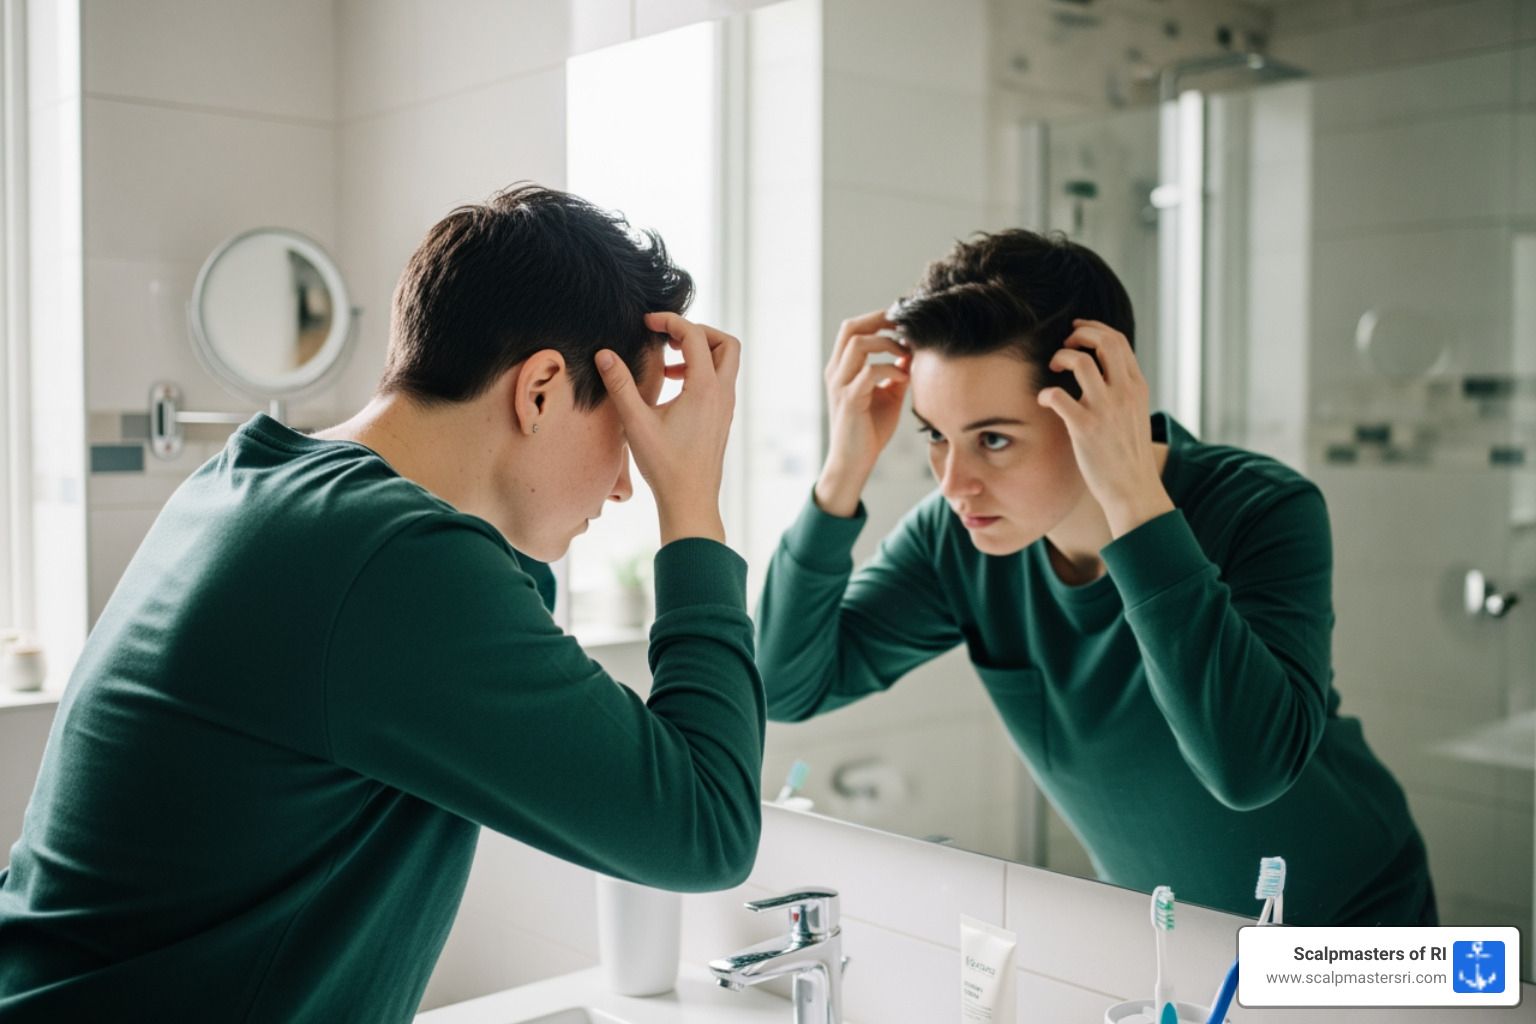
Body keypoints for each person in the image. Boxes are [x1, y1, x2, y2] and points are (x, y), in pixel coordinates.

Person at [0, 185, 763, 1021]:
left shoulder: (260, 485)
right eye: (630, 430)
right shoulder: (392, 561)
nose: (630, 482)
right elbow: (708, 828)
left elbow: (507, 607)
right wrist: (692, 503)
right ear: (540, 388)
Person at [756, 228, 1433, 926]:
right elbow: (783, 685)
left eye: (993, 439)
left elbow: (1248, 770)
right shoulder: (954, 539)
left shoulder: (1260, 508)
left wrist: (1135, 502)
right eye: (934, 434)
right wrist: (842, 472)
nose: (956, 484)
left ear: (1095, 398)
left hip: (1355, 921)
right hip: (1159, 931)